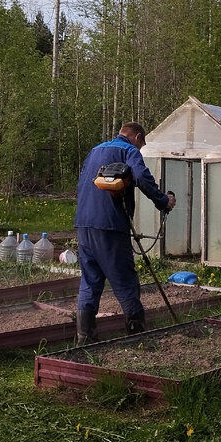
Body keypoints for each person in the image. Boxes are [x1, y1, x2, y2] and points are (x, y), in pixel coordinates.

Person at [74, 121, 176, 343]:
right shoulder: (129, 150)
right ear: (137, 137)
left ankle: (85, 338)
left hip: (84, 224)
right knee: (124, 279)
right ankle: (137, 335)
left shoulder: (94, 151)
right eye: (142, 145)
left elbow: (82, 183)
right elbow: (140, 177)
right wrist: (162, 201)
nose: (140, 150)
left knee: (90, 281)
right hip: (110, 225)